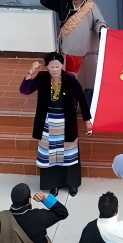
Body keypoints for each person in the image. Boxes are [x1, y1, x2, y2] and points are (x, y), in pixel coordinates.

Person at [20, 53, 92, 196]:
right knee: (51, 154)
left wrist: (87, 120)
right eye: (51, 67)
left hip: (66, 122)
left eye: (57, 67)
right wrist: (31, 71)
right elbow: (25, 90)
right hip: (48, 121)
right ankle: (54, 184)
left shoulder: (70, 79)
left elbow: (82, 99)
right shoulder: (42, 78)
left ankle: (71, 184)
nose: (54, 70)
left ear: (62, 66)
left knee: (68, 154)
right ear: (47, 67)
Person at [40, 0, 108, 94]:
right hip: (71, 52)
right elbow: (44, 1)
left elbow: (99, 22)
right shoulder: (63, 3)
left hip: (88, 52)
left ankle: (88, 101)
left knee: (89, 80)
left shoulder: (91, 6)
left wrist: (101, 28)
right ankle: (71, 101)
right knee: (71, 80)